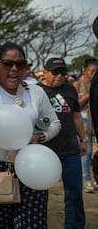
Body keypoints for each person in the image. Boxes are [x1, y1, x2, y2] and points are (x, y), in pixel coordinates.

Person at [0, 28, 61, 228]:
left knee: (32, 224)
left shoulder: (36, 92)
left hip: (32, 168)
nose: (14, 68)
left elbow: (55, 123)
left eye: (20, 63)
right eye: (7, 63)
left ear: (25, 67)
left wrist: (39, 137)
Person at [38, 57, 87, 228]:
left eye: (63, 72)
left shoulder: (70, 90)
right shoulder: (36, 91)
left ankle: (75, 225)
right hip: (43, 153)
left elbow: (76, 116)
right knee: (39, 195)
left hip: (70, 151)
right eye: (55, 72)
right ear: (45, 72)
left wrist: (83, 139)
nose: (60, 75)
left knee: (74, 194)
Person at [73, 57, 98, 192]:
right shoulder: (77, 85)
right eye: (92, 71)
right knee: (86, 152)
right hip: (83, 120)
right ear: (85, 71)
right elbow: (75, 105)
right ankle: (87, 180)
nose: (94, 74)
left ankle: (95, 178)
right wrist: (90, 94)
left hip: (95, 120)